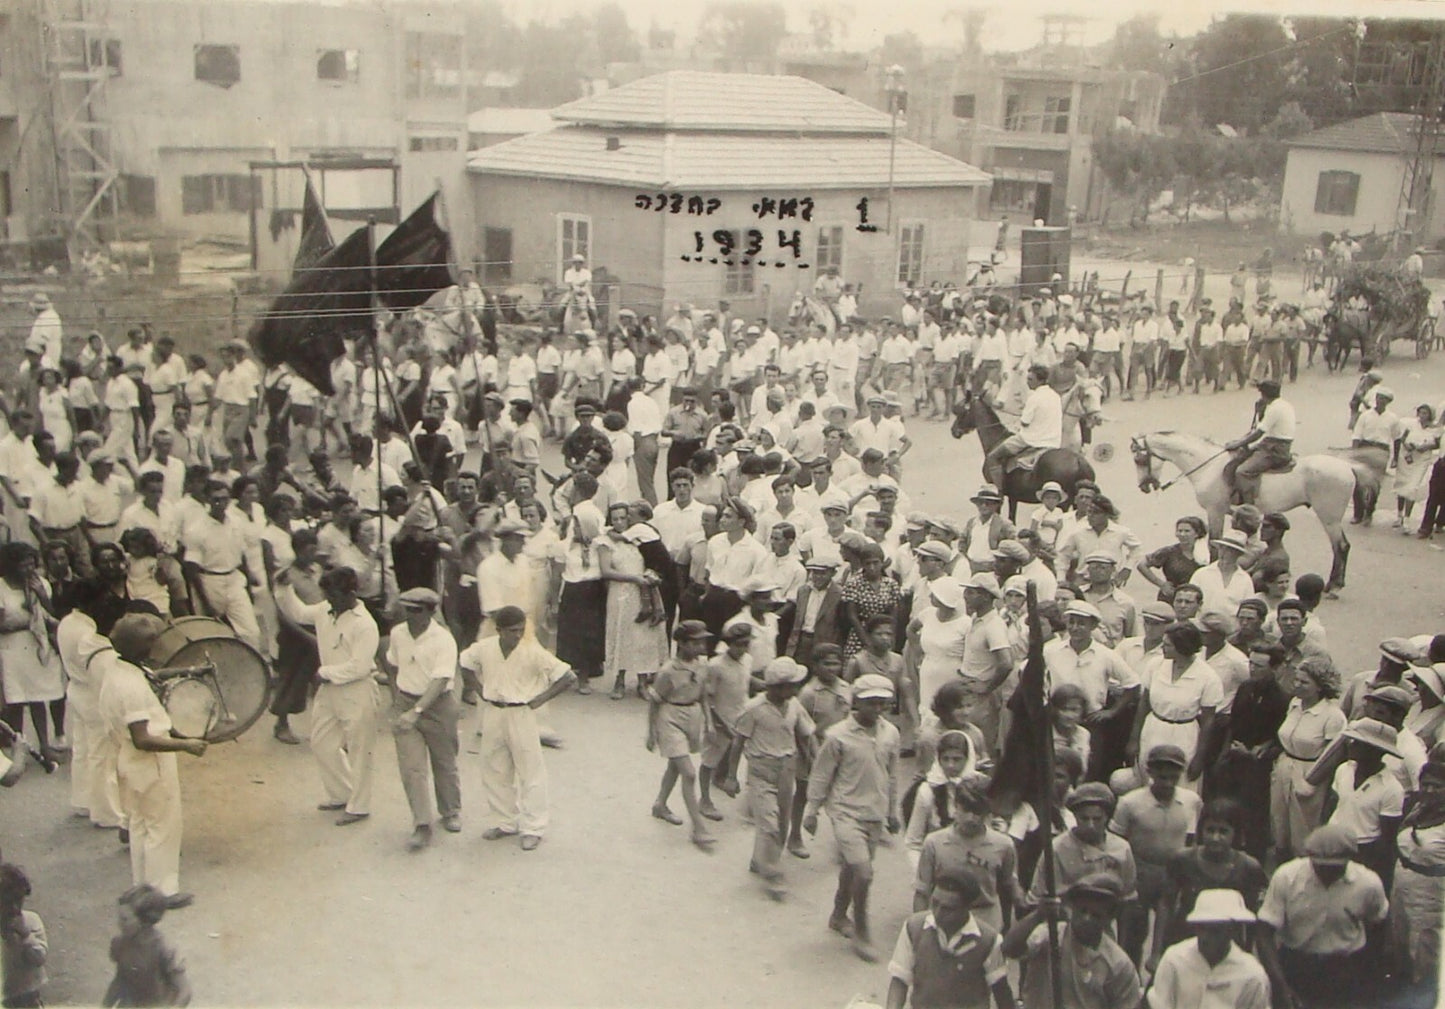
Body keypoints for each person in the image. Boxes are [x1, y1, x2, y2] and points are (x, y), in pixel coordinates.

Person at [99, 614, 207, 908]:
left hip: (128, 763)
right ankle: (163, 893)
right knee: (163, 825)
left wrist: (191, 671)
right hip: (150, 761)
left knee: (140, 825)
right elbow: (143, 739)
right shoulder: (131, 688)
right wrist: (186, 744)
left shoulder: (118, 668)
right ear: (141, 646)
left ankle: (141, 887)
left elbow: (152, 676)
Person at [458, 606, 575, 851]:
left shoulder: (532, 651)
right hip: (493, 712)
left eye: (521, 630)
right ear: (499, 630)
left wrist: (541, 699)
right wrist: (478, 690)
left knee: (530, 771)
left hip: (520, 713)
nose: (517, 635)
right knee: (494, 768)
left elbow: (567, 676)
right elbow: (465, 662)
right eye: (512, 631)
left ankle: (533, 827)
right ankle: (505, 822)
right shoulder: (485, 648)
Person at [804, 672, 901, 961]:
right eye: (871, 703)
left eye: (883, 703)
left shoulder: (891, 734)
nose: (877, 709)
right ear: (856, 702)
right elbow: (821, 775)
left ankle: (837, 914)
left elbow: (892, 775)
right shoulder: (837, 736)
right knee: (864, 872)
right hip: (846, 812)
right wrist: (811, 810)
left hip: (875, 813)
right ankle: (862, 929)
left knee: (852, 867)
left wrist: (892, 811)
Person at [1256, 824, 1389, 1009]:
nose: (1327, 873)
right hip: (1297, 967)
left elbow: (1379, 924)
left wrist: (1368, 977)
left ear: (1350, 859)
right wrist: (1281, 986)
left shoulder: (1368, 883)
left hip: (1346, 970)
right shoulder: (1286, 877)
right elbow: (1264, 932)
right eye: (1320, 867)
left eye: (1335, 868)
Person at [382, 587, 461, 852]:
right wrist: (397, 698)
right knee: (412, 767)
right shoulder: (398, 634)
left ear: (431, 611)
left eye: (416, 610)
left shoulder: (444, 639)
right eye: (407, 609)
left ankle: (450, 811)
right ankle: (422, 824)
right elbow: (392, 664)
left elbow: (440, 680)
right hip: (406, 702)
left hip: (438, 705)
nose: (410, 615)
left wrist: (416, 711)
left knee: (444, 761)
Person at [1110, 744, 1203, 965]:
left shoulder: (1191, 801)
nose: (1168, 782)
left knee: (1170, 936)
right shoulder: (1130, 802)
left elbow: (1191, 840)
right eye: (1162, 775)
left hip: (1173, 874)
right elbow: (1116, 842)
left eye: (1174, 776)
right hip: (1139, 873)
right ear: (1150, 772)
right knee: (1133, 933)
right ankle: (1129, 979)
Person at [1002, 872, 1141, 1009]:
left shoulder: (1118, 965)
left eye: (1096, 915)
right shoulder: (1049, 936)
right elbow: (1009, 948)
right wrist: (1038, 915)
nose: (1087, 919)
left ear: (1108, 919)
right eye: (1083, 911)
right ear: (1073, 908)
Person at [886, 870, 1014, 1009]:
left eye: (948, 909)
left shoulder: (989, 940)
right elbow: (900, 980)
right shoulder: (913, 928)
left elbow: (1001, 992)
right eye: (934, 903)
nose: (938, 913)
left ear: (967, 907)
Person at [914, 773, 1020, 934]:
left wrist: (1005, 931)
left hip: (985, 925)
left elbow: (1008, 888)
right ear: (956, 806)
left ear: (988, 810)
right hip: (944, 922)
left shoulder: (1003, 845)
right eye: (966, 809)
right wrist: (919, 933)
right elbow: (922, 892)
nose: (971, 818)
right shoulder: (934, 843)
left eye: (978, 811)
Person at [647, 620, 717, 853]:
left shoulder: (702, 666)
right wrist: (651, 732)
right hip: (671, 717)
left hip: (693, 715)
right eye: (696, 642)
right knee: (688, 771)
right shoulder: (668, 671)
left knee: (675, 767)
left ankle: (660, 804)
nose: (701, 645)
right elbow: (655, 702)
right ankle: (699, 828)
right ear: (683, 644)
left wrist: (709, 723)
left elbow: (704, 695)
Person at [1148, 888, 1270, 1009]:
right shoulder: (1174, 960)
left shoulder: (1252, 974)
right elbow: (1159, 1004)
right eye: (1201, 928)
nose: (1205, 937)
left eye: (1214, 931)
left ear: (1232, 931)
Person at [102, 884, 192, 1008]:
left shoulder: (163, 948)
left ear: (145, 921)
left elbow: (184, 990)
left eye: (125, 919)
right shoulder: (119, 943)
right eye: (119, 918)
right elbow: (120, 979)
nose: (119, 924)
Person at [983, 365, 1061, 490]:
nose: (1027, 382)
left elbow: (1024, 422)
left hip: (1031, 439)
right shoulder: (1055, 396)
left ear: (1041, 381)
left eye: (1030, 379)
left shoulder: (1034, 397)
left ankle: (999, 491)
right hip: (1054, 441)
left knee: (992, 457)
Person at [1223, 379, 1295, 507]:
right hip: (1271, 443)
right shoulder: (1283, 404)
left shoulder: (1274, 409)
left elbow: (1259, 433)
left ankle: (1249, 507)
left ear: (1264, 395)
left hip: (1275, 449)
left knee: (1243, 471)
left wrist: (1238, 444)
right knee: (1238, 457)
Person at [0, 863, 47, 1009]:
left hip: (27, 997)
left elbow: (39, 957)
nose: (15, 908)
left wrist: (25, 936)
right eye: (7, 903)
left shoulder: (31, 921)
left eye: (18, 901)